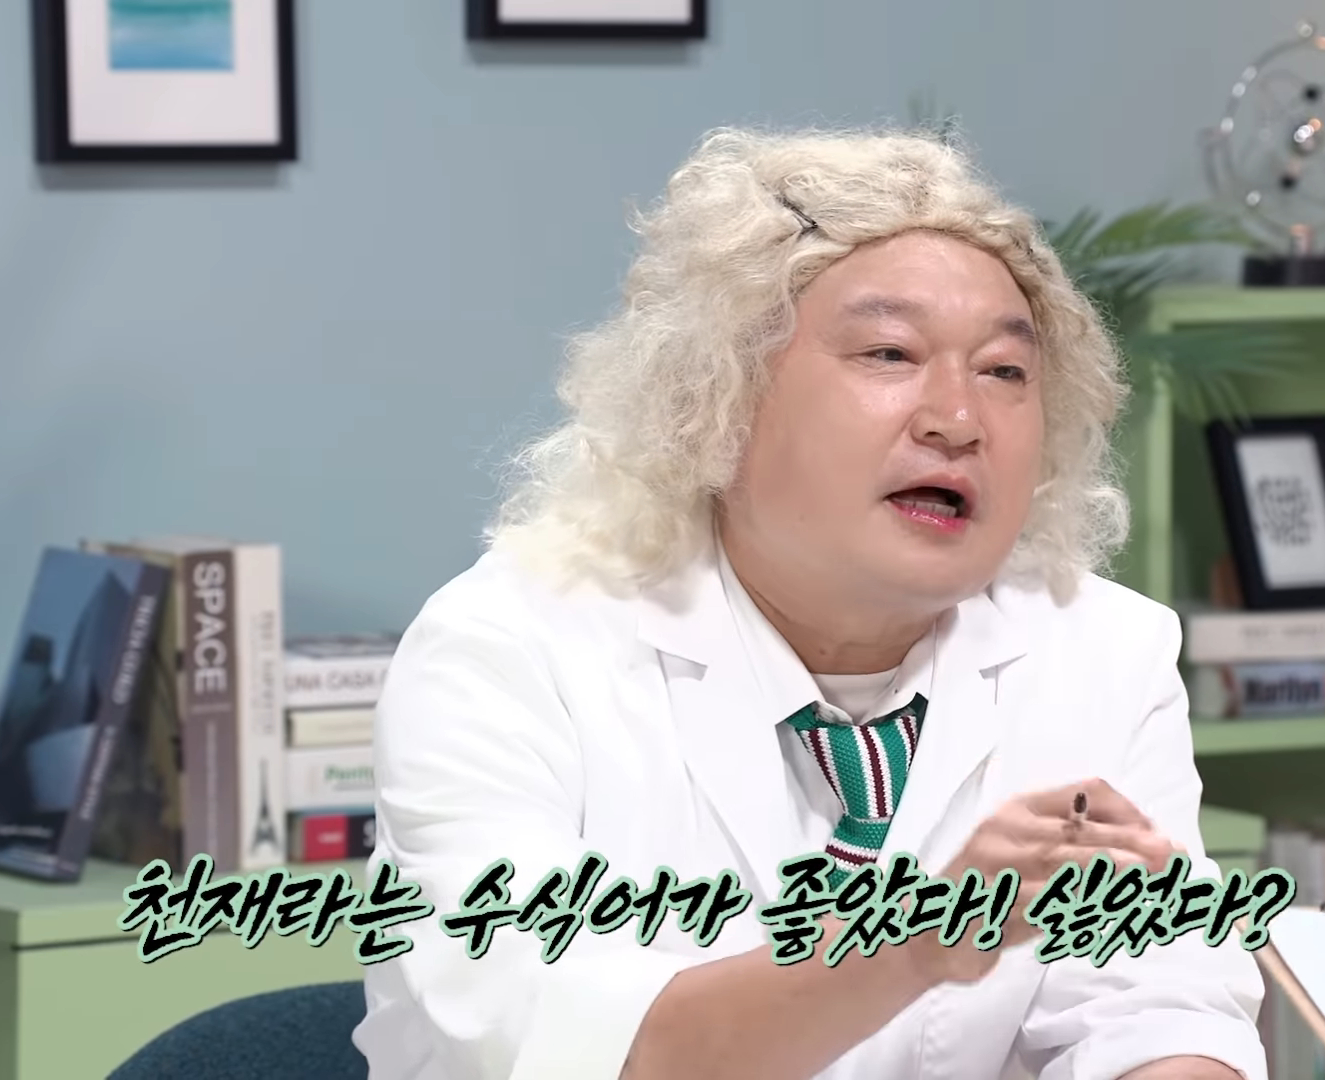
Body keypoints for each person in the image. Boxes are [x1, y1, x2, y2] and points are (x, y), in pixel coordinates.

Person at [352, 126, 1267, 1080]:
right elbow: (573, 1043)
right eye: (889, 353)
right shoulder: (508, 650)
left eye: (1004, 371)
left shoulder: (1104, 650)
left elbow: (1160, 1009)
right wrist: (926, 939)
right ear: (717, 394)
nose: (958, 419)